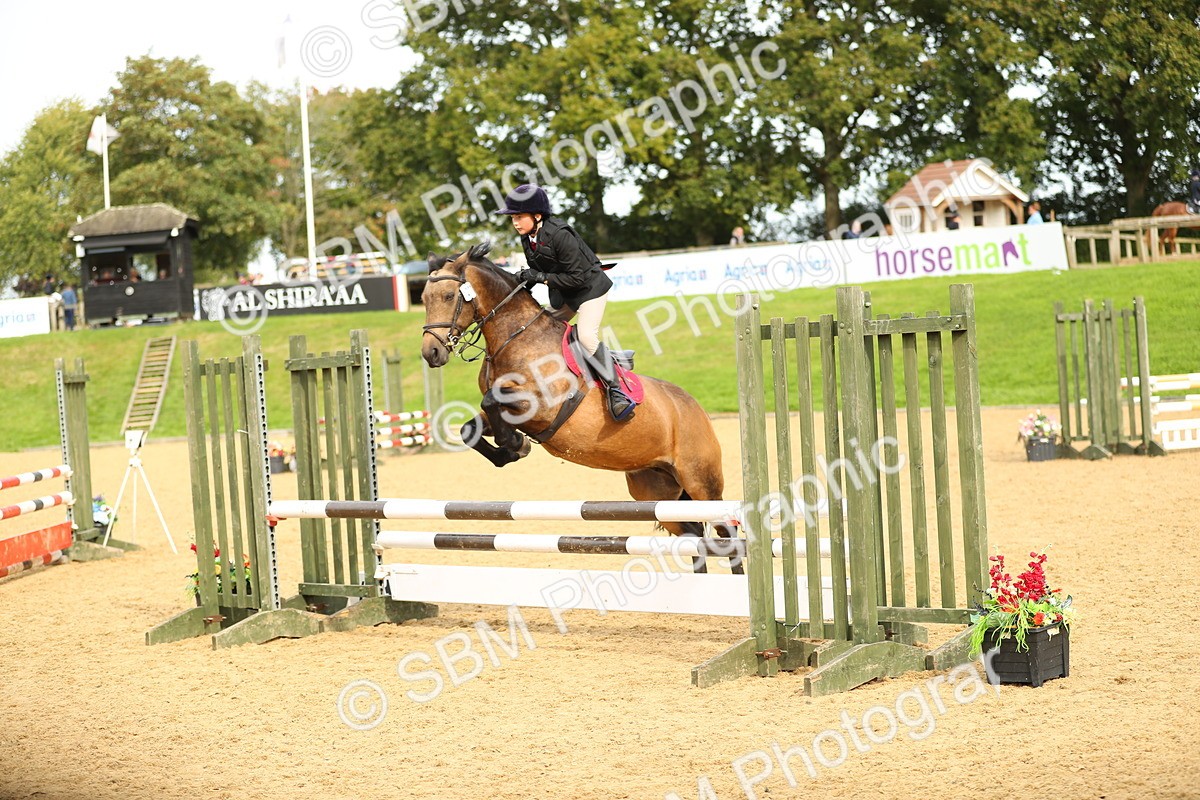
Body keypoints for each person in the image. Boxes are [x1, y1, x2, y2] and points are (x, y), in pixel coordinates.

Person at [496, 184, 633, 422]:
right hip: (566, 295)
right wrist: (521, 282)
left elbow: (577, 277)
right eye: (513, 218)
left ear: (537, 216)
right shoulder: (528, 238)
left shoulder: (560, 234)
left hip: (590, 290)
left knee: (587, 337)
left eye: (519, 217)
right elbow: (541, 269)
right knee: (538, 327)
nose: (515, 223)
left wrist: (538, 277)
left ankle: (616, 391)